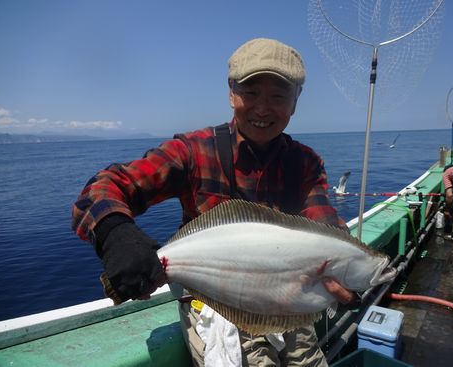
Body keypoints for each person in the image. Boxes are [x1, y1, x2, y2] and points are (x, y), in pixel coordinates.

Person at [72, 37, 356, 367]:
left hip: (287, 303)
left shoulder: (305, 163)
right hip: (215, 307)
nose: (262, 109)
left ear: (295, 102)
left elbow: (323, 220)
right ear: (231, 93)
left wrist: (348, 265)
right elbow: (104, 188)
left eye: (278, 96)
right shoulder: (193, 151)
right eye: (250, 93)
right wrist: (116, 233)